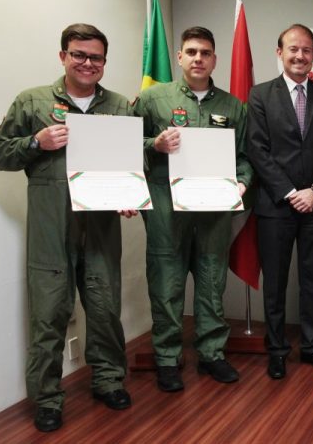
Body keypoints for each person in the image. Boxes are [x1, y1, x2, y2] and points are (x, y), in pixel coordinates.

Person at [0, 23, 132, 432]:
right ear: (63, 56)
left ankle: (107, 380)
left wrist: (129, 196)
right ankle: (47, 398)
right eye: (79, 55)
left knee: (104, 308)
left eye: (96, 57)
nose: (88, 63)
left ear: (104, 61)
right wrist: (36, 142)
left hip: (101, 226)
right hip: (51, 228)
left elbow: (129, 162)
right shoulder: (32, 101)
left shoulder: (120, 106)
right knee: (48, 313)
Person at [134, 27, 252, 392]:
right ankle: (168, 358)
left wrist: (244, 182)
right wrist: (153, 143)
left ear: (215, 59)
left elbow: (245, 157)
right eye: (191, 51)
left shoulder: (233, 106)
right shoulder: (154, 99)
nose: (198, 58)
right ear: (180, 57)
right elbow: (126, 146)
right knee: (167, 283)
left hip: (215, 209)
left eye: (205, 52)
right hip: (167, 207)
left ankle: (212, 353)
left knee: (212, 280)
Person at [247, 24, 313, 379]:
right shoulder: (259, 96)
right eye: (293, 49)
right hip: (276, 205)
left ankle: (312, 347)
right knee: (274, 282)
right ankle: (276, 350)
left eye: (306, 50)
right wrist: (290, 192)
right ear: (279, 53)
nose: (300, 56)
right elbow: (256, 150)